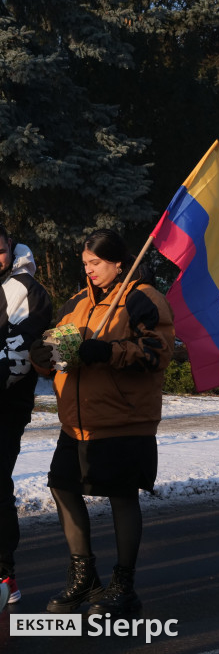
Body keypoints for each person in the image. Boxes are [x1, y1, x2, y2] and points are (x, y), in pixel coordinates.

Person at [28, 228, 174, 617]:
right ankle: (84, 578)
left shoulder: (144, 298)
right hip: (77, 421)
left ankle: (123, 586)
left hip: (124, 418)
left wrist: (106, 352)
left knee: (121, 496)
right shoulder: (77, 302)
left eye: (95, 263)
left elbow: (157, 353)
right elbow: (56, 349)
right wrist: (42, 356)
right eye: (85, 264)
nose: (89, 270)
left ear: (118, 263)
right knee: (61, 486)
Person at [0, 225, 53, 604]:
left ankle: (4, 575)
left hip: (5, 407)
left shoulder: (26, 289)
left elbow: (16, 356)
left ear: (10, 247)